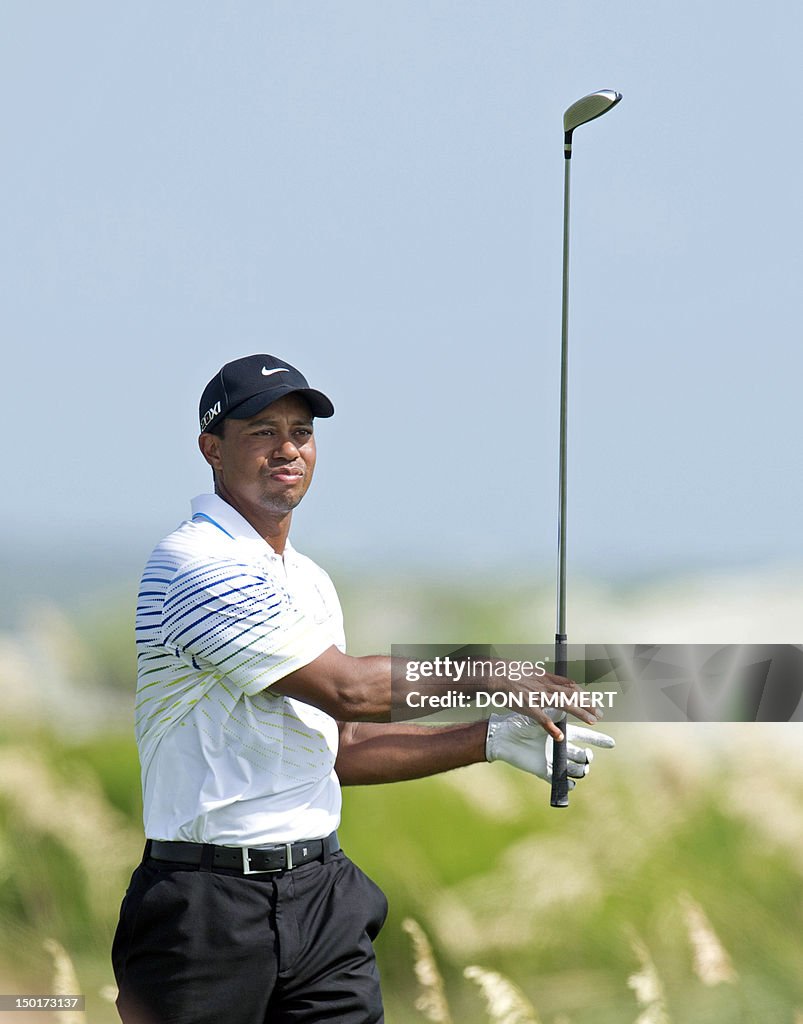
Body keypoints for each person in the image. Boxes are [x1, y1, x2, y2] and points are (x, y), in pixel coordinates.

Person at [112, 353, 615, 1024]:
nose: (287, 448)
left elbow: (340, 744)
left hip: (322, 897)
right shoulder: (196, 564)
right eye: (262, 431)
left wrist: (486, 740)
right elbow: (347, 691)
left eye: (301, 431)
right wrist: (490, 672)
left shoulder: (307, 579)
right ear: (212, 449)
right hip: (206, 910)